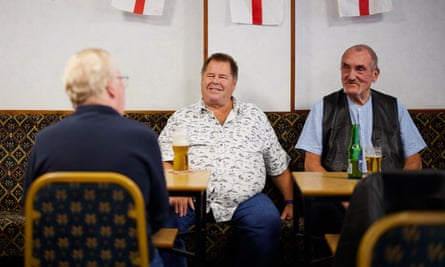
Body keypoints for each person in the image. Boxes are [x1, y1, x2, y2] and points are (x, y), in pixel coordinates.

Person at [22, 48, 169, 267]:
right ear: (110, 87)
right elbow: (158, 217)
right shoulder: (142, 137)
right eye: (121, 80)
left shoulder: (44, 140)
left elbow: (30, 208)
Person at [158, 53, 294, 267]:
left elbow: (277, 164)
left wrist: (290, 201)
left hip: (247, 200)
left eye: (222, 77)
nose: (215, 81)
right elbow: (162, 159)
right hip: (191, 199)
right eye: (210, 75)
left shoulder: (255, 116)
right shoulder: (182, 117)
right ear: (202, 80)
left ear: (234, 83)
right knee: (162, 224)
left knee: (266, 220)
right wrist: (176, 189)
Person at [295, 44, 426, 236]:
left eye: (360, 69)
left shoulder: (395, 107)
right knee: (326, 212)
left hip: (386, 193)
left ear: (375, 74)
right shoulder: (323, 107)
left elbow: (414, 162)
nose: (351, 75)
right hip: (338, 197)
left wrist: (395, 193)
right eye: (346, 67)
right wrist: (346, 199)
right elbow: (311, 164)